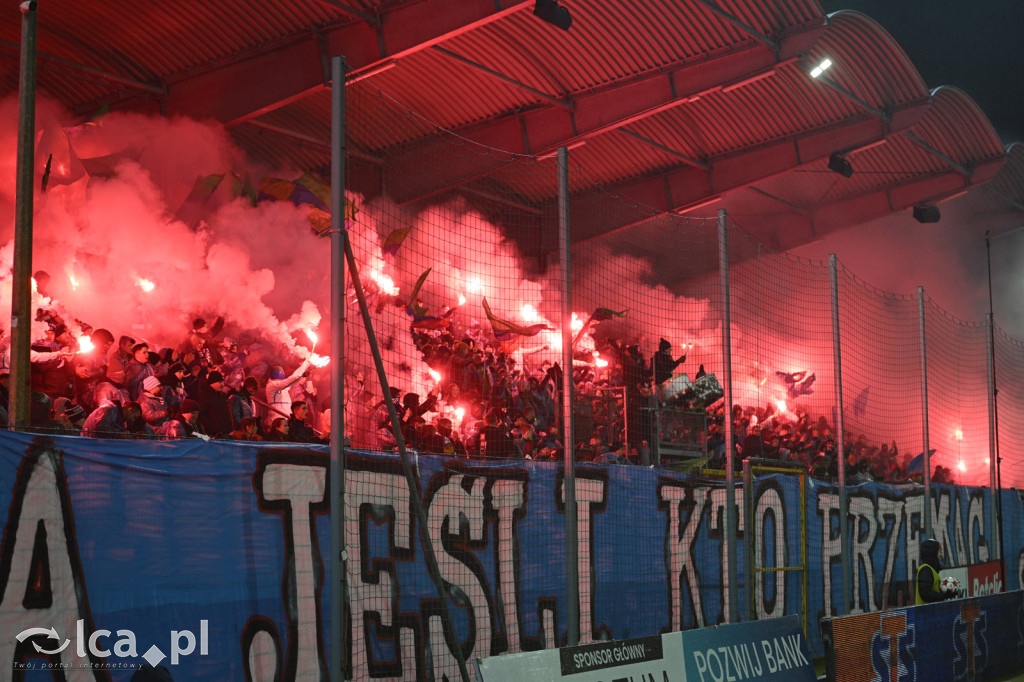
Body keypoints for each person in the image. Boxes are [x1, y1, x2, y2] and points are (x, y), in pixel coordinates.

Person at [916, 538, 955, 604]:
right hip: (924, 613)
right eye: (940, 551)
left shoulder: (932, 570)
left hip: (930, 612)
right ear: (932, 553)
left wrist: (946, 592)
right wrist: (944, 595)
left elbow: (932, 592)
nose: (941, 554)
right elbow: (926, 595)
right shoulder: (926, 569)